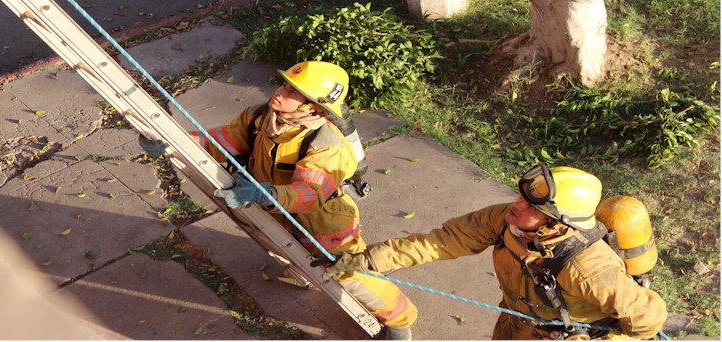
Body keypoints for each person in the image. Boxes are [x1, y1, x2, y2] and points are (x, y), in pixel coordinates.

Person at [139, 60, 417, 339]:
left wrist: (265, 193)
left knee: (349, 273)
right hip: (276, 214)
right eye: (285, 84)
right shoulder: (259, 117)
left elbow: (310, 193)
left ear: (312, 107)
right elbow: (222, 141)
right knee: (296, 257)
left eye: (294, 92)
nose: (281, 92)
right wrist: (173, 140)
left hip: (323, 225)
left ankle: (400, 322)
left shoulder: (326, 145)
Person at [316, 163, 667, 340]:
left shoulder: (588, 268)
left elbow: (648, 319)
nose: (515, 206)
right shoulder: (504, 220)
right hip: (515, 325)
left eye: (532, 207)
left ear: (559, 223)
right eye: (521, 196)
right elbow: (440, 242)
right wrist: (366, 260)